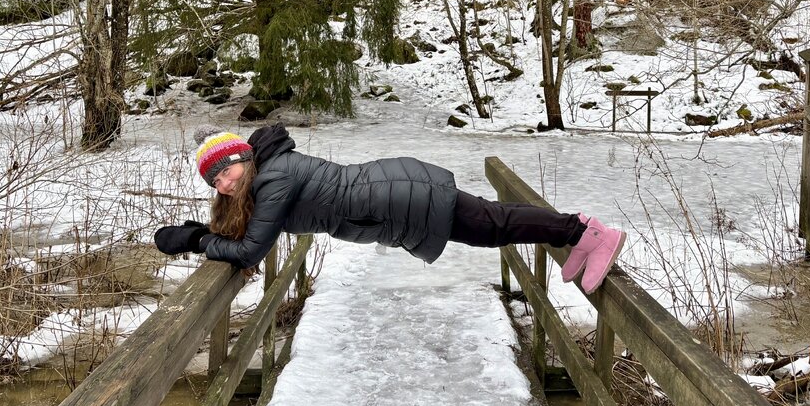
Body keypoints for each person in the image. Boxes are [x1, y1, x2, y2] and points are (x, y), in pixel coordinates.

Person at [154, 125, 627, 294]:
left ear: (242, 158)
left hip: (402, 198)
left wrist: (196, 240)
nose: (223, 182)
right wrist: (207, 233)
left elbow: (251, 249)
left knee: (494, 226)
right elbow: (248, 236)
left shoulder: (274, 177)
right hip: (397, 193)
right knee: (493, 225)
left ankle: (585, 232)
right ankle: (578, 236)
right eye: (214, 181)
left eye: (225, 171)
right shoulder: (270, 173)